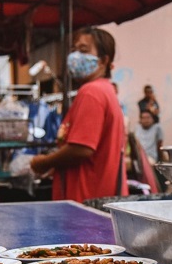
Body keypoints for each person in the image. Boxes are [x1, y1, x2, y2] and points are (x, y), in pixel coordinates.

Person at [30, 27, 127, 202]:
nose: (75, 56)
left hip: (86, 201)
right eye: (74, 50)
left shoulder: (91, 92)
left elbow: (81, 149)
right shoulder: (106, 89)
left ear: (104, 60)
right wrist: (58, 165)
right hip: (98, 197)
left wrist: (44, 162)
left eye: (83, 50)